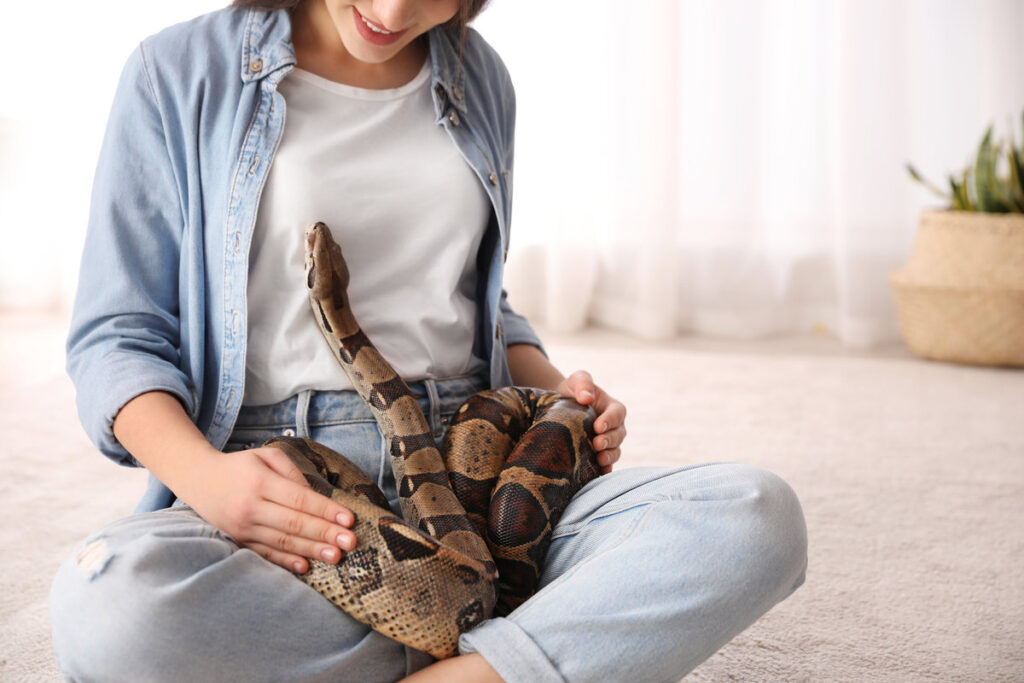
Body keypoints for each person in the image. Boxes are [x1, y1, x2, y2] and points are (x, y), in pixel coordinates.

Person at [50, 1, 808, 681]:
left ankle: (446, 645)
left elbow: (476, 300)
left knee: (752, 513)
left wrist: (560, 390)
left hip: (485, 472)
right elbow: (118, 334)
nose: (393, 9)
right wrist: (211, 481)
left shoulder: (480, 78)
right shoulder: (178, 71)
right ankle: (510, 648)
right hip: (293, 486)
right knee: (109, 598)